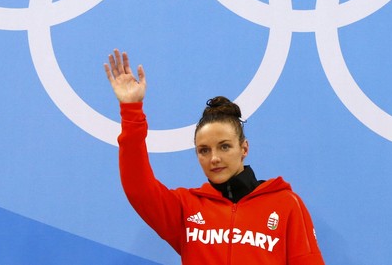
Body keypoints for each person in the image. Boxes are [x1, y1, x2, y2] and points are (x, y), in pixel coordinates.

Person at [105, 49, 325, 265]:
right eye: (204, 150)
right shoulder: (185, 208)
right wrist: (131, 110)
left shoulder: (286, 204)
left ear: (244, 148)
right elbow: (138, 186)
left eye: (225, 147)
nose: (214, 158)